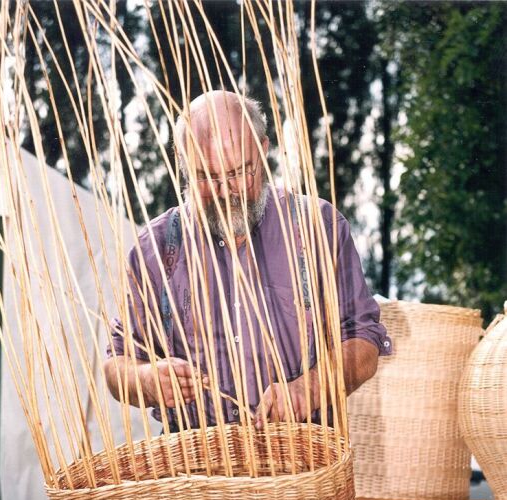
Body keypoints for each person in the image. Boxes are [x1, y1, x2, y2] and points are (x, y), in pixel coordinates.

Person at [104, 90, 391, 428]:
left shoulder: (317, 228)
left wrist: (307, 389)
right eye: (206, 177)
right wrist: (146, 380)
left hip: (305, 465)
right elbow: (118, 364)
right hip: (197, 472)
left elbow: (364, 343)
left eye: (239, 171)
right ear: (182, 167)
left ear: (263, 150)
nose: (225, 191)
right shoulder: (154, 250)